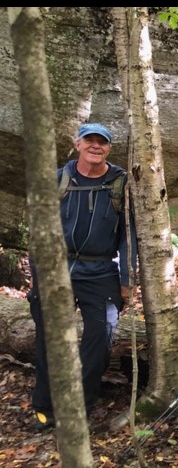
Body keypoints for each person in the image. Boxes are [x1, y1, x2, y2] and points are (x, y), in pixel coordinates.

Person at [29, 122, 136, 430]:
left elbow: (129, 236)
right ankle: (44, 406)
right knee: (49, 339)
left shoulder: (120, 184)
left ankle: (81, 404)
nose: (95, 146)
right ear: (77, 145)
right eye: (89, 140)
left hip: (100, 270)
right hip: (56, 269)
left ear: (108, 149)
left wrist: (127, 280)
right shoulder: (57, 180)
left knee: (101, 336)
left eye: (101, 142)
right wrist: (38, 279)